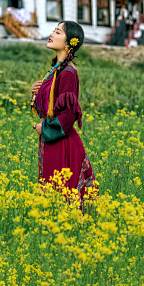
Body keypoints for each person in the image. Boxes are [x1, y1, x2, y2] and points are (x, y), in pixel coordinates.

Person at [30, 20, 99, 214]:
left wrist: (43, 128)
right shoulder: (56, 70)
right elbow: (50, 107)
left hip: (62, 143)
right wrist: (36, 95)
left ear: (70, 42)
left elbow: (67, 115)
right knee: (53, 196)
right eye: (54, 30)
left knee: (60, 196)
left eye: (58, 32)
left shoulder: (68, 73)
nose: (52, 34)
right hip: (53, 141)